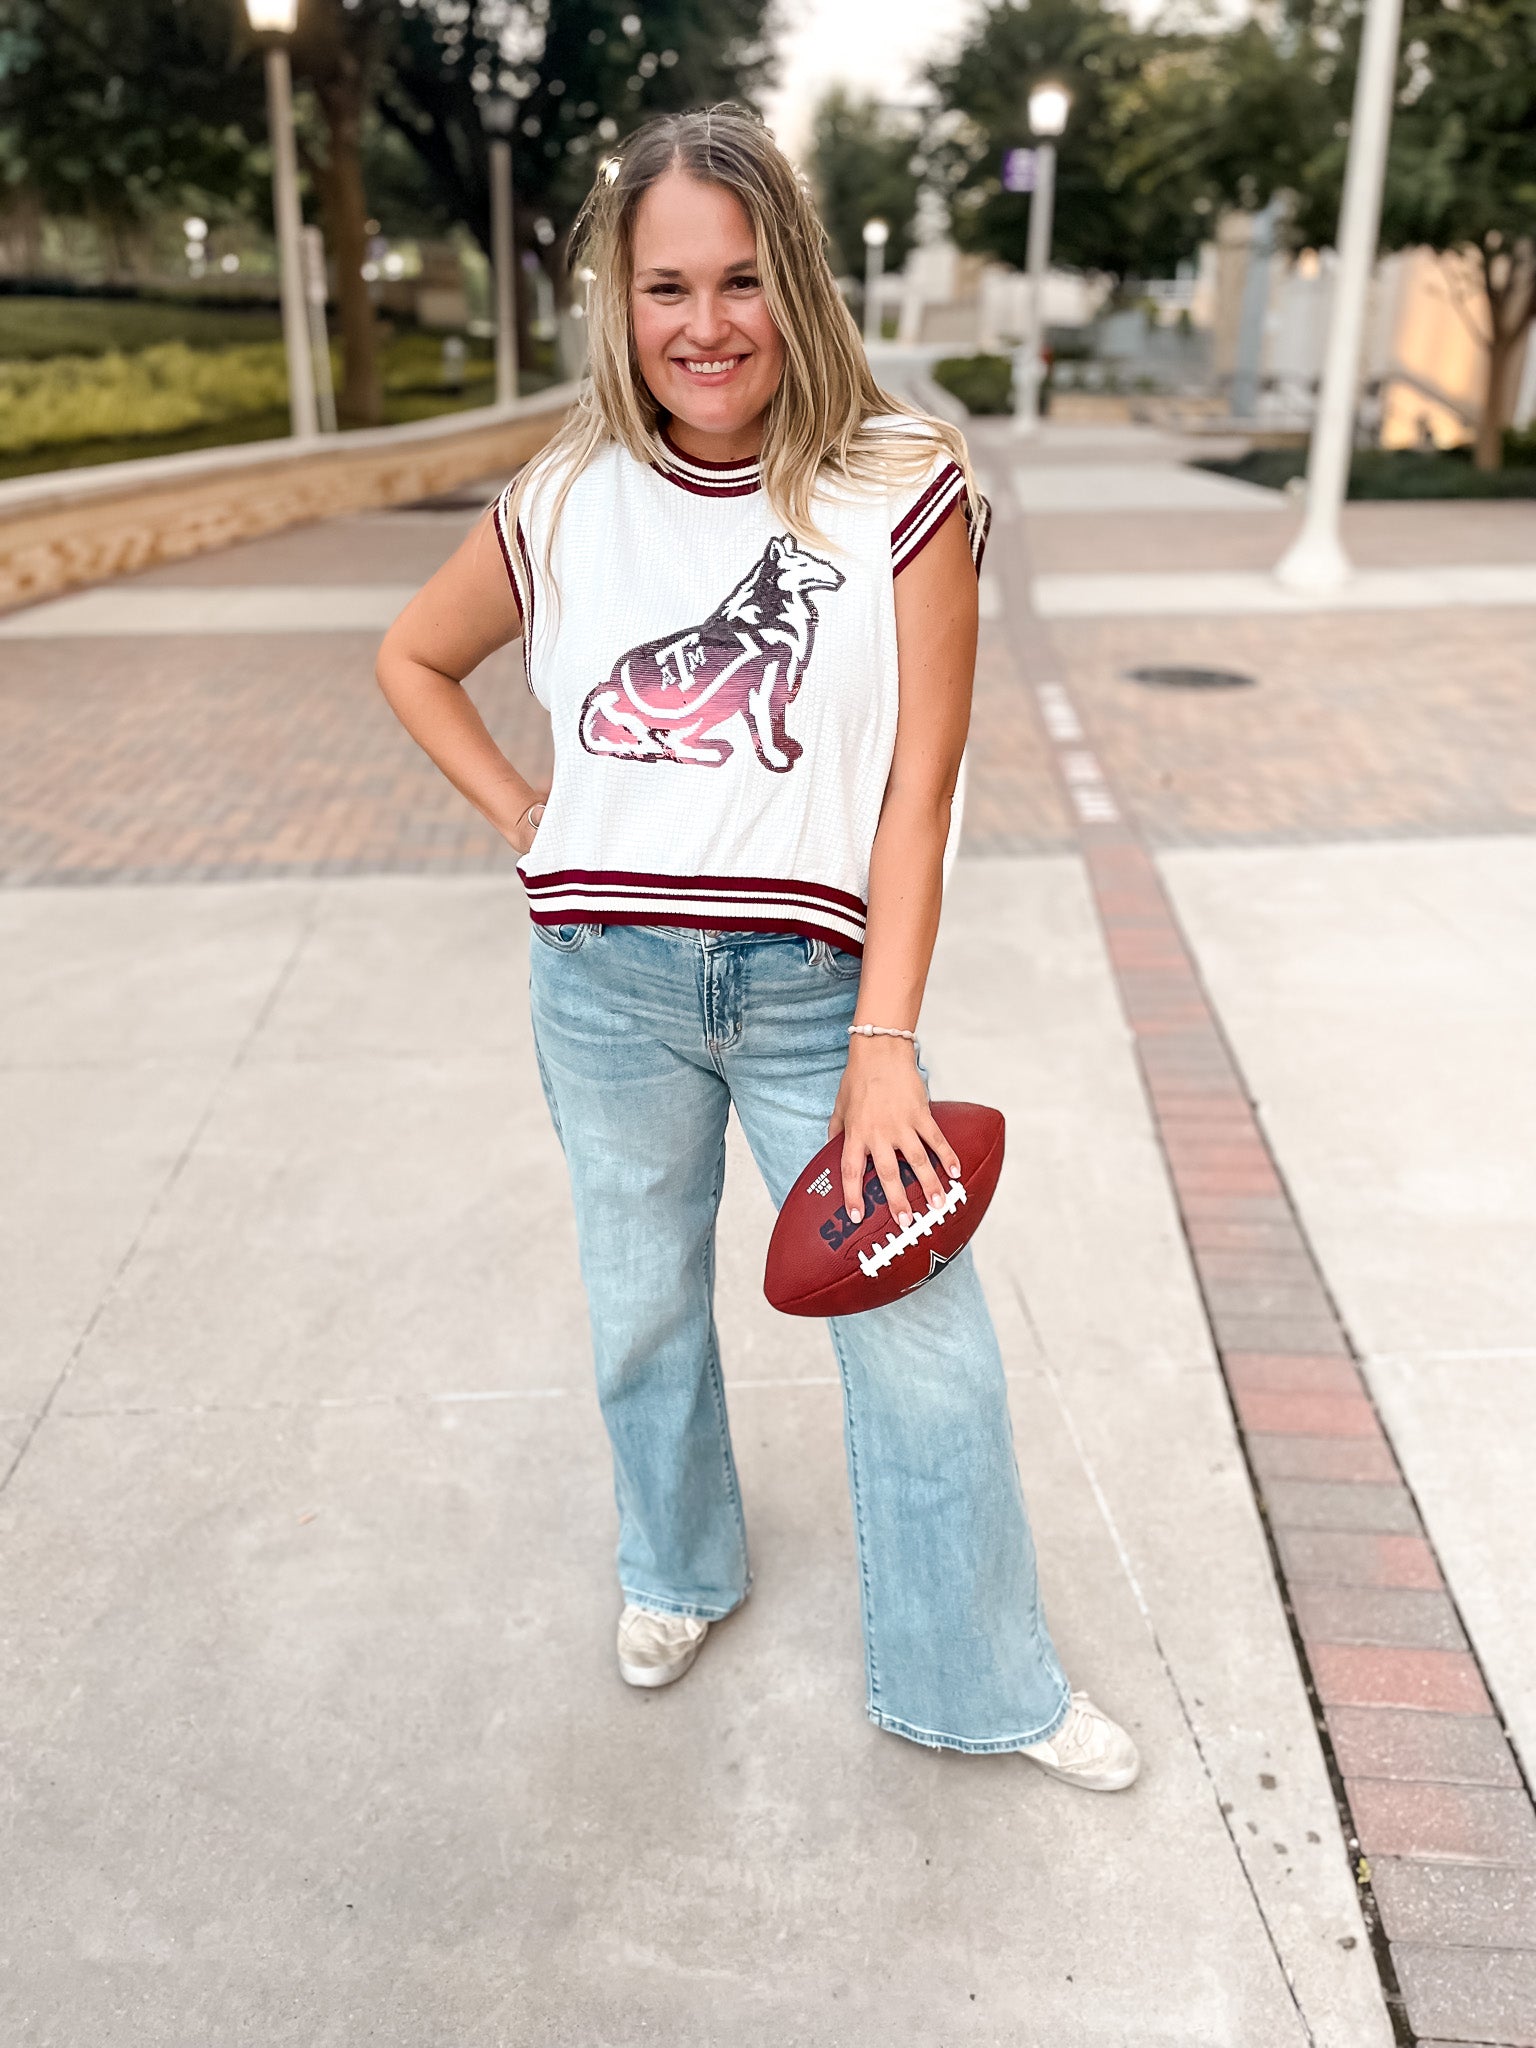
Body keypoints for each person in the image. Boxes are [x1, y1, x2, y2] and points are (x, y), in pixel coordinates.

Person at [376, 104, 1138, 1792]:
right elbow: (412, 659)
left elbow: (917, 793)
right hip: (605, 988)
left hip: (812, 1005)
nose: (703, 324)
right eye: (665, 286)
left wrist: (885, 1047)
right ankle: (679, 1569)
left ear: (794, 282)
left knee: (922, 1331)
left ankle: (981, 1680)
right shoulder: (564, 498)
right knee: (640, 1306)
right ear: (619, 300)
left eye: (738, 280)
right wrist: (532, 817)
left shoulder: (902, 491)